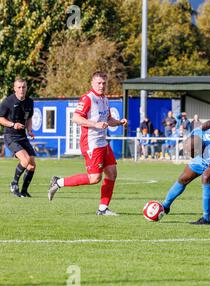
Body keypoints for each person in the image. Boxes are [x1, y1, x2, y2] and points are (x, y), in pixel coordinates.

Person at [47, 71, 128, 215]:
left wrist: (119, 122)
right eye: (98, 83)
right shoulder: (87, 98)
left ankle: (103, 209)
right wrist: (94, 124)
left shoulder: (105, 99)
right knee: (94, 178)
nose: (101, 86)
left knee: (112, 173)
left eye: (104, 83)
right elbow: (76, 118)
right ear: (92, 83)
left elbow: (108, 119)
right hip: (91, 143)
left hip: (103, 142)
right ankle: (58, 182)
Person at [0, 78, 36, 197]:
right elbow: (1, 118)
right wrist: (13, 124)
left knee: (31, 165)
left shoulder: (30, 102)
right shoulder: (8, 101)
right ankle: (14, 184)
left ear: (26, 88)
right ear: (14, 88)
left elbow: (29, 118)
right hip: (10, 135)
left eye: (23, 87)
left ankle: (24, 191)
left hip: (22, 136)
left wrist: (29, 129)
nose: (21, 89)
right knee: (25, 160)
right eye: (19, 87)